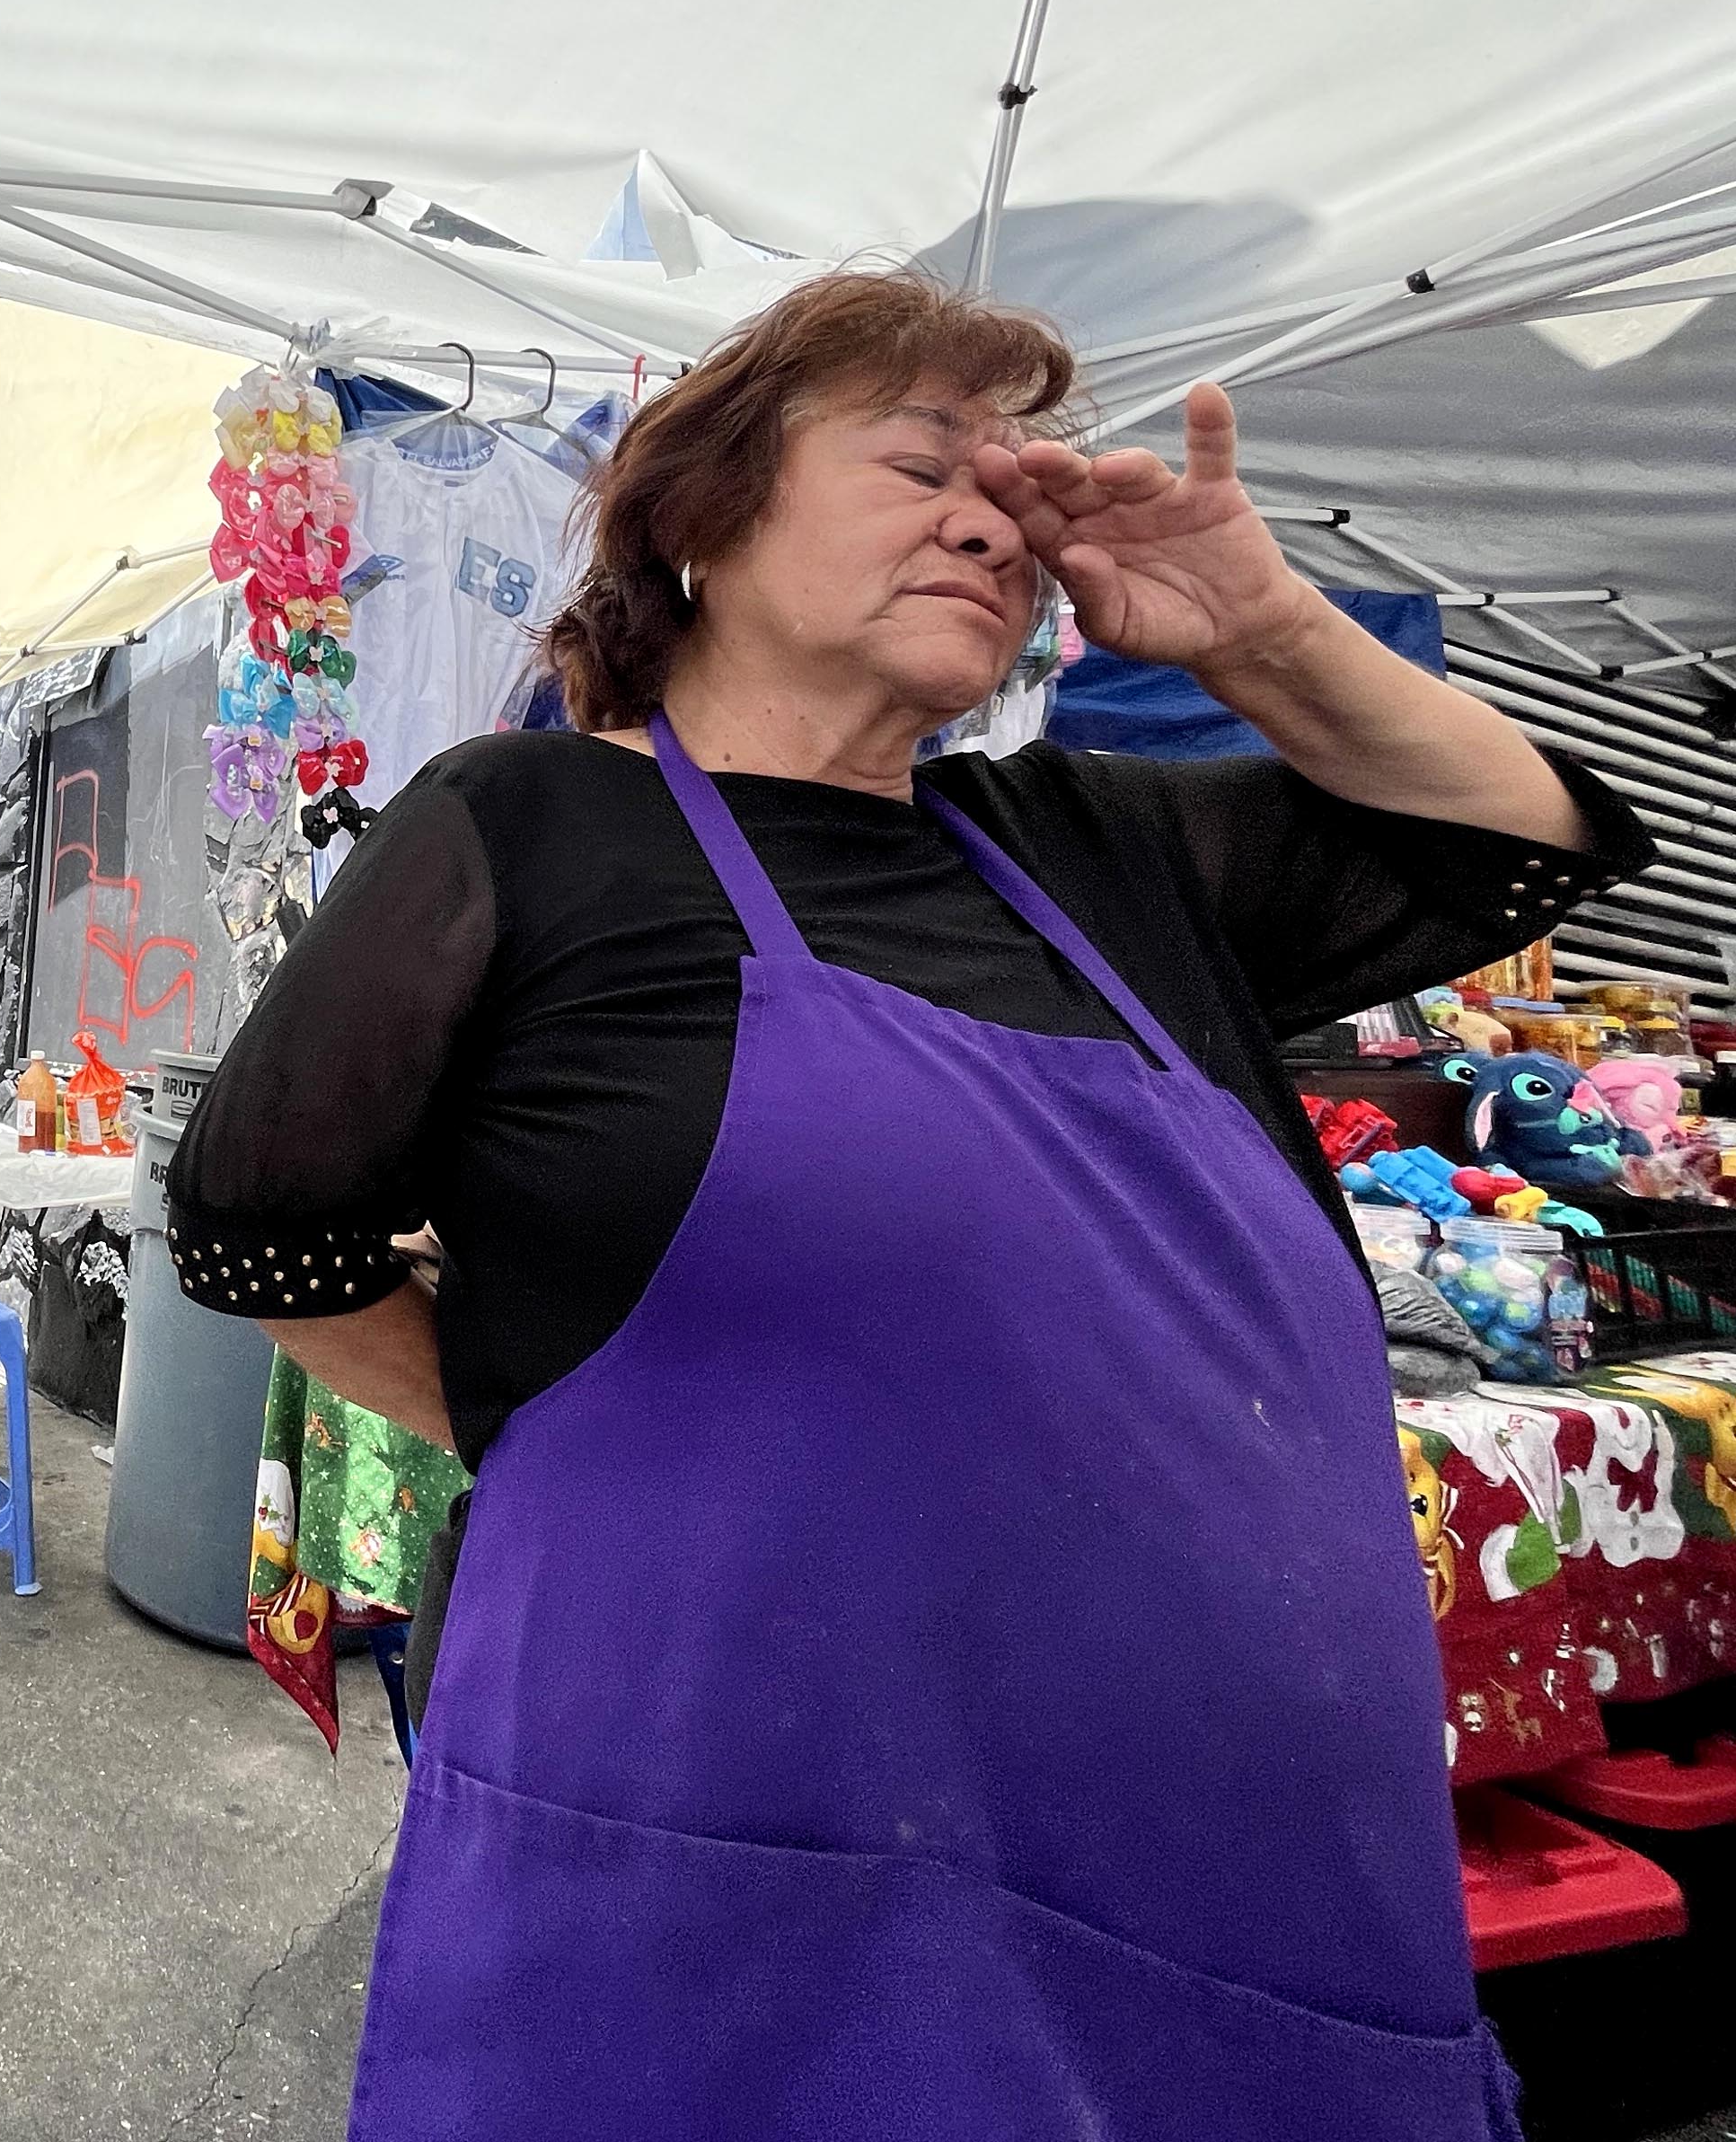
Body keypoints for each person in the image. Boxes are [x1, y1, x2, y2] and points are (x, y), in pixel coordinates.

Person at [166, 269, 1651, 2140]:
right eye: (916, 459)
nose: (985, 516)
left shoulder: (1093, 845)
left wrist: (1263, 632)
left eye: (1013, 490)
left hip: (1244, 1893)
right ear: (700, 512)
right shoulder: (527, 827)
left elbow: (1521, 843)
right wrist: (580, 1426)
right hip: (755, 1884)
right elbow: (253, 1225)